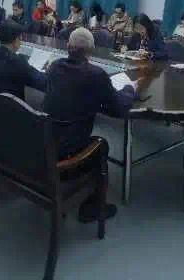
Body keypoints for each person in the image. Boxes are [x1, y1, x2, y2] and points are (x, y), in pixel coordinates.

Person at [42, 28, 136, 222]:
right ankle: (92, 208)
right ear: (91, 50)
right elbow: (119, 108)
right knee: (101, 145)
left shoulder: (55, 67)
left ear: (68, 46)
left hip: (45, 141)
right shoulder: (96, 75)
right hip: (67, 151)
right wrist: (130, 88)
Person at [0, 21, 46, 99]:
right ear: (15, 40)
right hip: (12, 105)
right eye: (20, 39)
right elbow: (41, 81)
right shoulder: (17, 62)